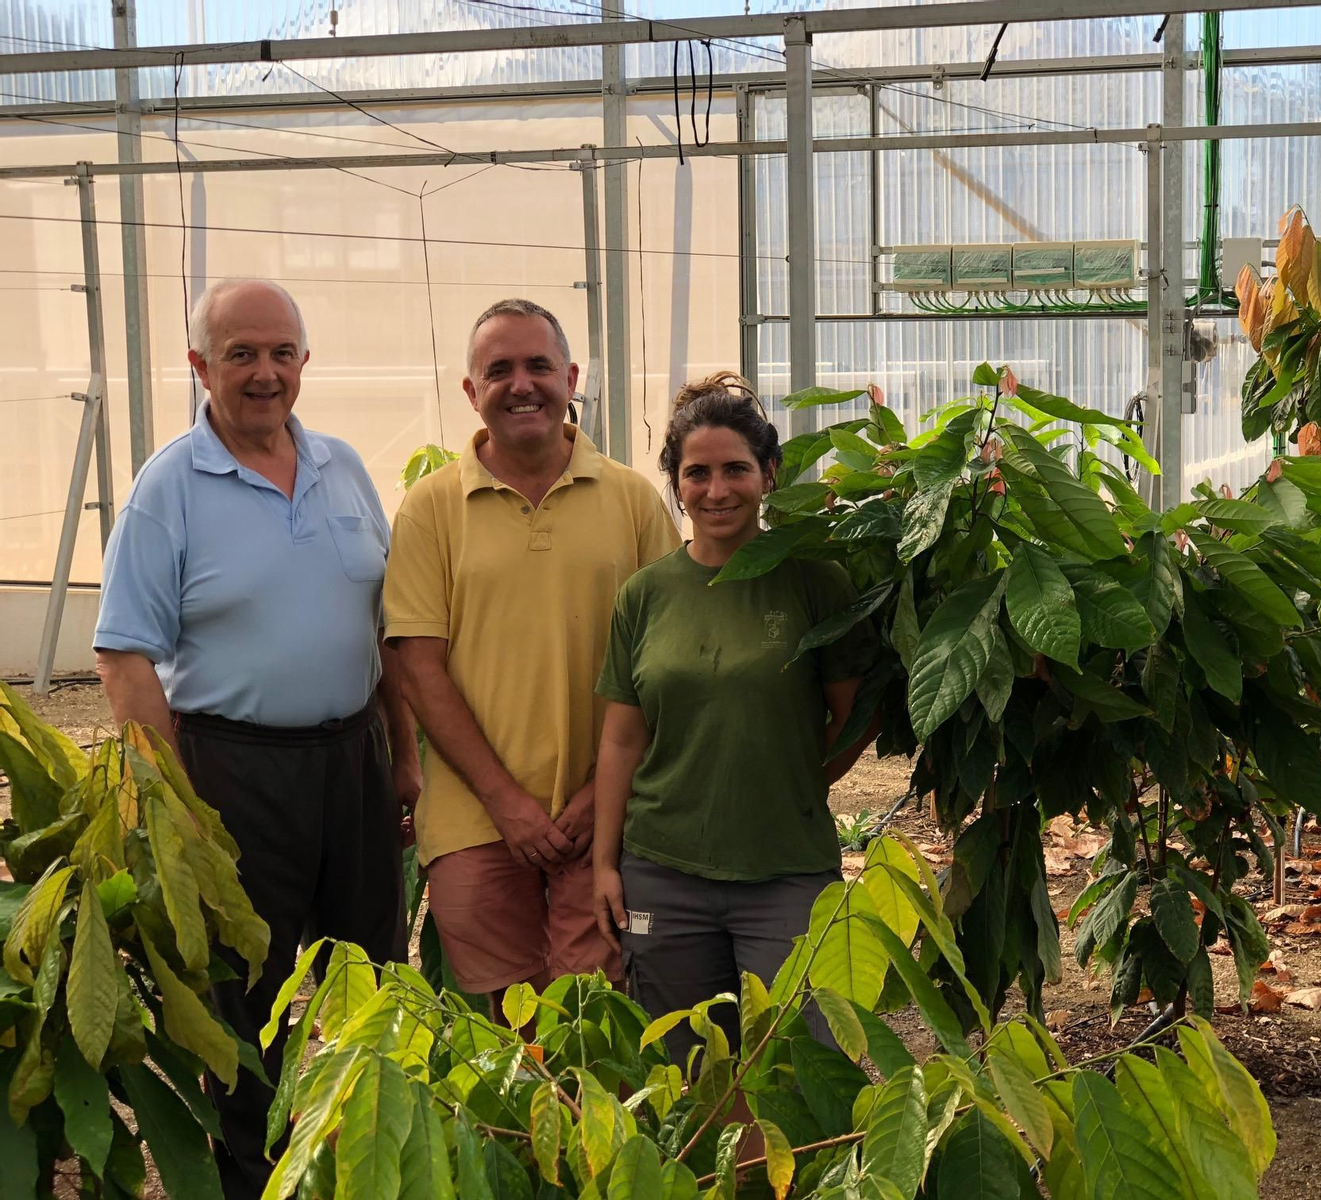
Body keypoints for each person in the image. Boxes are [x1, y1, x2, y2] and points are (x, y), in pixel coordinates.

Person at [92, 279, 416, 1200]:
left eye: (282, 353)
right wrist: (176, 802)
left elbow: (383, 627)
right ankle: (255, 1180)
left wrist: (404, 756)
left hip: (353, 760)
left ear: (305, 362)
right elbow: (123, 655)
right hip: (233, 770)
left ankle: (368, 1167)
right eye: (241, 354)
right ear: (200, 365)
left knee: (372, 979)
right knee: (249, 1005)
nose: (265, 373)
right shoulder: (170, 487)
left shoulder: (344, 467)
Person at [384, 299, 680, 1014]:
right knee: (503, 1030)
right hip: (474, 821)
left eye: (539, 366)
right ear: (470, 391)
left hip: (609, 819)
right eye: (499, 369)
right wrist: (506, 803)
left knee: (599, 1021)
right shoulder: (430, 509)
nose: (522, 384)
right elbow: (418, 667)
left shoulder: (635, 502)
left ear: (571, 376)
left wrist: (595, 799)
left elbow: (665, 662)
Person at [591, 372, 878, 1063]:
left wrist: (802, 777)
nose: (716, 490)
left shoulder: (814, 580)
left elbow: (857, 712)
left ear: (770, 474)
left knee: (798, 1065)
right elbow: (622, 738)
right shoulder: (646, 595)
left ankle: (787, 1178)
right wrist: (605, 865)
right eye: (697, 473)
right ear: (676, 481)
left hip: (784, 871)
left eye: (735, 470)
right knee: (688, 1069)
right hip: (664, 867)